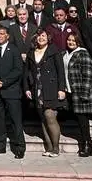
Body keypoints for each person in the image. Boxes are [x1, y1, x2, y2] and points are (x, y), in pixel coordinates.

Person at [0, 25, 26, 158]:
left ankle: (19, 147)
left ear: (7, 36)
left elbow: (18, 70)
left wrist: (4, 82)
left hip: (11, 91)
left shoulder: (14, 49)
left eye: (2, 34)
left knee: (16, 121)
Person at [25, 29, 67, 158]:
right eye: (38, 36)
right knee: (43, 118)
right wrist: (26, 88)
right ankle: (48, 146)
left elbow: (60, 71)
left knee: (49, 115)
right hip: (37, 88)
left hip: (51, 88)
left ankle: (56, 147)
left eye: (43, 36)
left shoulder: (54, 51)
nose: (41, 38)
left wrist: (62, 89)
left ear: (48, 38)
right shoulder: (31, 52)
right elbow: (26, 72)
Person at [62, 33, 92, 157]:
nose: (71, 42)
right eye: (69, 40)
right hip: (70, 91)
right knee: (79, 119)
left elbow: (88, 74)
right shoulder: (65, 54)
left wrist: (84, 93)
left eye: (73, 40)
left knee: (83, 120)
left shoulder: (82, 53)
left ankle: (87, 144)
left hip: (81, 91)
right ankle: (87, 143)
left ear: (78, 41)